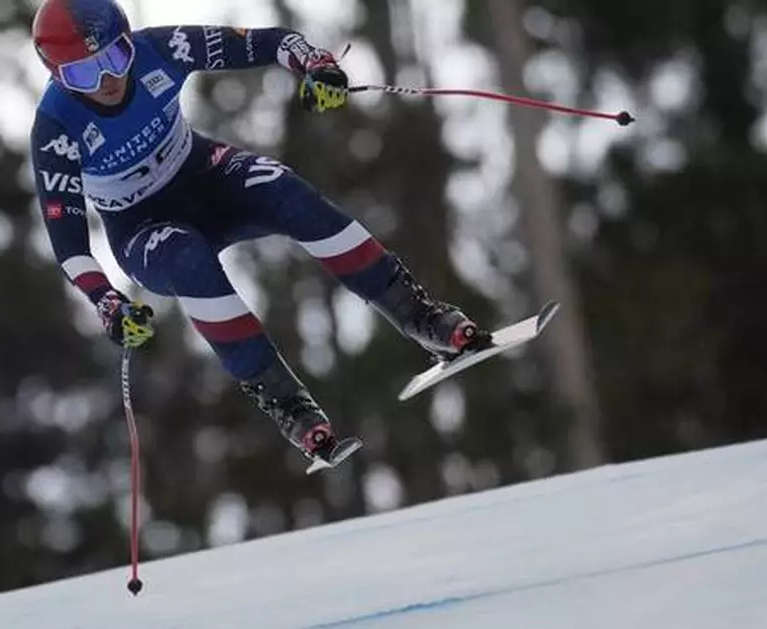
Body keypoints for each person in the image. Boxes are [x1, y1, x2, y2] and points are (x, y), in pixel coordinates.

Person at [29, 0, 491, 466]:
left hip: (205, 178)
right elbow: (67, 244)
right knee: (189, 261)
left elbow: (268, 42)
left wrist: (317, 64)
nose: (106, 79)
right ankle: (290, 407)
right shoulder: (55, 127)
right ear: (57, 77)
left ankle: (423, 318)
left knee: (287, 194)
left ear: (130, 42)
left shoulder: (161, 48)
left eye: (114, 57)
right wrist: (106, 301)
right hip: (142, 228)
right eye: (83, 75)